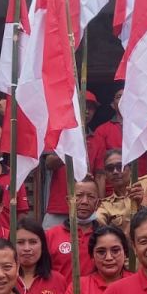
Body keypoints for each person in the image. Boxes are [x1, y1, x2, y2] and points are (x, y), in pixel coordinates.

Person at [44, 92, 99, 229]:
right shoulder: (58, 133)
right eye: (83, 105)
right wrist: (69, 151)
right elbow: (49, 163)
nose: (86, 110)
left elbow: (101, 175)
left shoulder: (96, 139)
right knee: (50, 245)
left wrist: (99, 205)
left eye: (91, 107)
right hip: (59, 205)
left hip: (88, 207)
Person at [45, 176, 100, 282]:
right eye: (78, 196)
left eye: (91, 197)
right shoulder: (51, 235)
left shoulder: (105, 236)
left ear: (98, 203)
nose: (84, 201)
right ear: (68, 200)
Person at [95, 149, 147, 235]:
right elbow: (98, 224)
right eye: (110, 169)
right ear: (106, 175)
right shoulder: (106, 206)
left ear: (130, 168)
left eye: (120, 166)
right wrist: (146, 199)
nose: (115, 172)